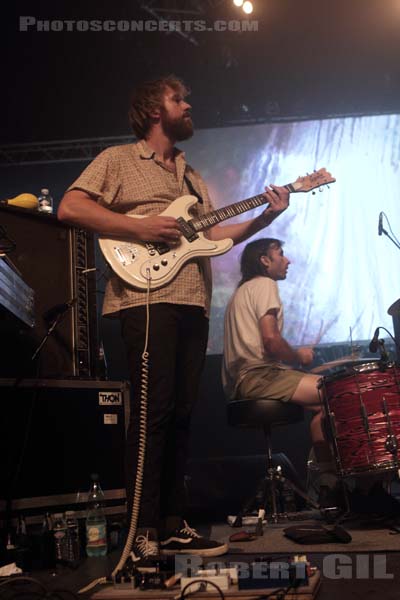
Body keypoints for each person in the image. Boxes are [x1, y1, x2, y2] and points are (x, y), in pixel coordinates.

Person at [58, 75, 289, 563]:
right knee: (152, 416)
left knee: (182, 415)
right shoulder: (118, 160)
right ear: (153, 111)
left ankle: (172, 524)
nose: (189, 105)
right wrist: (138, 225)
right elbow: (70, 206)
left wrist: (265, 218)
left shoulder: (191, 176)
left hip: (192, 302)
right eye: (178, 99)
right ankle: (140, 532)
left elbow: (215, 236)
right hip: (144, 300)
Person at [222, 238, 336, 498]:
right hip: (259, 377)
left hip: (245, 381)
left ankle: (330, 487)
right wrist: (298, 356)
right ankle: (348, 486)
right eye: (281, 255)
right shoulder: (264, 284)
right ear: (265, 260)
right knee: (339, 395)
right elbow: (271, 341)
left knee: (322, 407)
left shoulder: (243, 291)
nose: (288, 261)